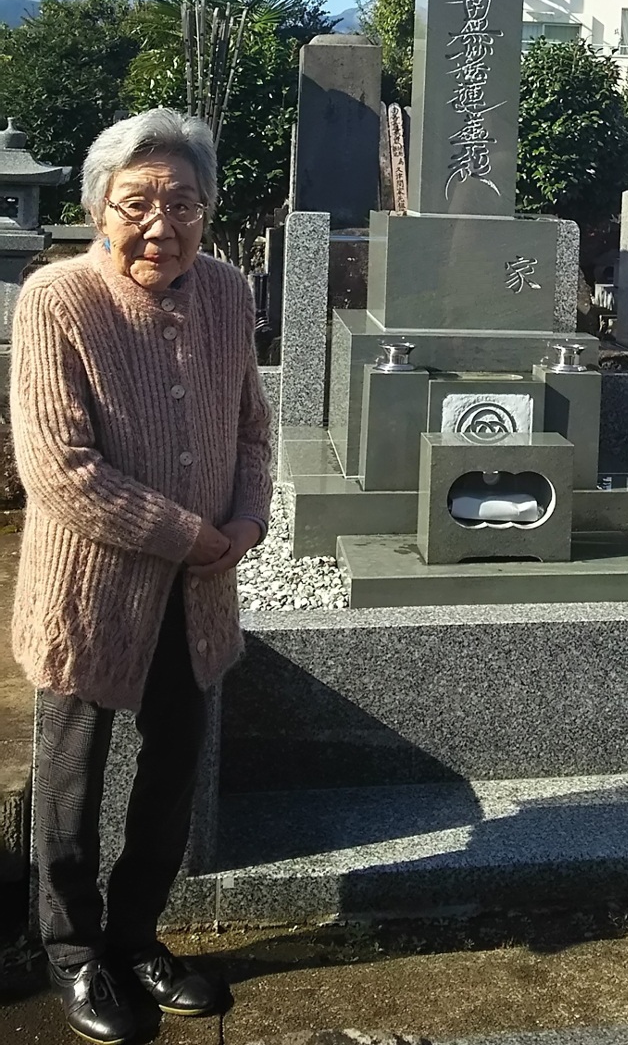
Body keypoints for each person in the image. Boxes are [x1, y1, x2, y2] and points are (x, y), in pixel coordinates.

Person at [10, 108, 272, 1043]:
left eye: (185, 204)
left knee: (171, 770)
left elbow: (251, 426)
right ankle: (72, 952)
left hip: (196, 594)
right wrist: (188, 533)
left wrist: (249, 518)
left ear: (207, 210)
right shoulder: (55, 298)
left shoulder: (228, 292)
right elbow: (58, 467)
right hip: (88, 592)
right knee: (71, 782)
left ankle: (136, 937)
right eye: (137, 205)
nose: (163, 226)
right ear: (99, 209)